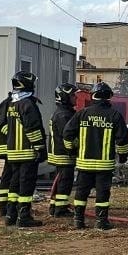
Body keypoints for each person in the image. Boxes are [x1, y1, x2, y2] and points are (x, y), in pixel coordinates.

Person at [63, 81, 128, 231]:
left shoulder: (82, 113)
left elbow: (67, 133)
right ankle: (101, 221)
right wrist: (123, 156)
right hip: (104, 165)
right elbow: (123, 139)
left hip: (84, 163)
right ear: (108, 98)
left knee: (81, 192)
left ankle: (78, 220)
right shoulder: (114, 115)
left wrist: (71, 150)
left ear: (93, 96)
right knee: (102, 193)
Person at [2, 71, 48, 227]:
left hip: (13, 152)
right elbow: (33, 128)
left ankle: (10, 215)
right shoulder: (27, 104)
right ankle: (24, 217)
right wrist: (40, 147)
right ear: (28, 84)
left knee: (14, 184)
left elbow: (7, 128)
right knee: (26, 185)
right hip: (27, 151)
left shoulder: (11, 104)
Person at [48, 83, 80, 217]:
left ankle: (55, 206)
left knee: (60, 180)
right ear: (64, 97)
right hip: (64, 154)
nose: (76, 98)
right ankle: (60, 209)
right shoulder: (64, 115)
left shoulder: (65, 112)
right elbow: (68, 136)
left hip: (61, 153)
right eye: (73, 95)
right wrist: (78, 145)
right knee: (65, 181)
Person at [0, 91, 12, 220]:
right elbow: (2, 125)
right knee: (8, 175)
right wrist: (15, 135)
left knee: (9, 175)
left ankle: (6, 206)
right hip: (8, 146)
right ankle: (4, 206)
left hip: (12, 146)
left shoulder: (14, 103)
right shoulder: (7, 104)